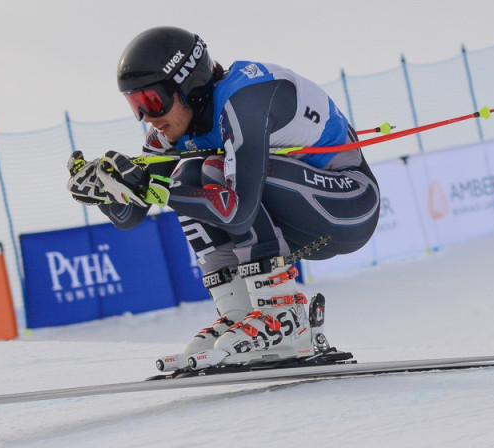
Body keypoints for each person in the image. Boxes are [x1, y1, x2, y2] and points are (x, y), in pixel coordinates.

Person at [67, 26, 380, 370]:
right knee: (185, 175)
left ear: (187, 86)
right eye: (136, 106)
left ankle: (283, 313)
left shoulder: (244, 100)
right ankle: (240, 313)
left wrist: (151, 187)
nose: (147, 118)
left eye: (152, 101)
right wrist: (105, 192)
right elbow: (132, 215)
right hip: (303, 212)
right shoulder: (167, 134)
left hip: (349, 204)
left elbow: (238, 211)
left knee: (210, 173)